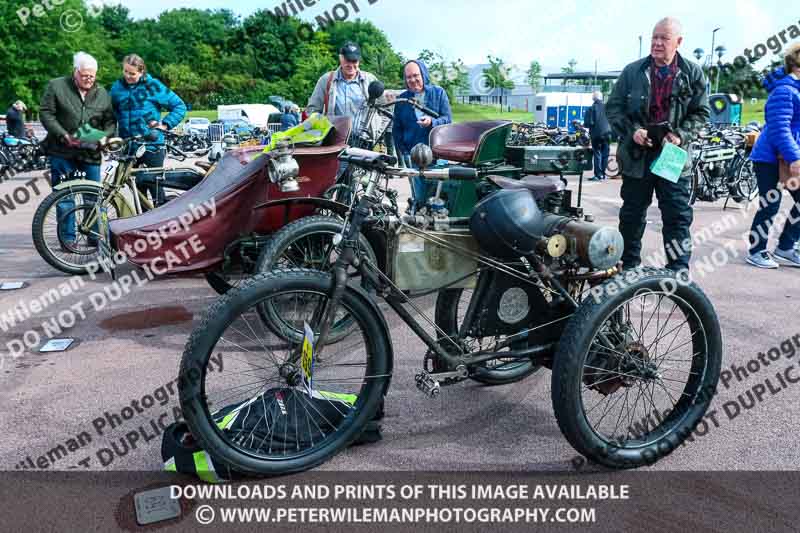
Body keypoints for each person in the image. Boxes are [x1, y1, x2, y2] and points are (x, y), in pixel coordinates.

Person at [606, 17, 709, 273]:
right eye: (654, 37)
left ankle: (678, 270)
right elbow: (613, 109)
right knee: (631, 214)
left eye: (664, 38)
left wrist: (681, 135)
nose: (657, 43)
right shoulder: (633, 72)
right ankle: (628, 268)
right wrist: (633, 132)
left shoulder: (693, 73)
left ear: (679, 42)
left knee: (676, 215)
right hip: (636, 154)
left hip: (672, 155)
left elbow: (702, 113)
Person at [40, 51, 116, 247]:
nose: (89, 78)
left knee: (93, 196)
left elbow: (110, 122)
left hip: (90, 153)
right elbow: (46, 113)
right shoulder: (56, 86)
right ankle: (68, 239)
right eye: (85, 75)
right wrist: (63, 134)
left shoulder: (102, 94)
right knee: (65, 197)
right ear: (75, 72)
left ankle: (94, 236)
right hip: (62, 152)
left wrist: (105, 137)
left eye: (92, 75)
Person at [745, 42, 800, 269]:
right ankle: (756, 251)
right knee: (770, 204)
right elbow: (779, 128)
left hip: (788, 154)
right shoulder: (785, 90)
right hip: (769, 157)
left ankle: (786, 247)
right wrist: (794, 158)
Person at [110, 54, 186, 206]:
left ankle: (163, 223)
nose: (128, 76)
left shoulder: (153, 86)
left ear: (141, 71)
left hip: (152, 146)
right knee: (138, 190)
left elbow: (180, 106)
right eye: (125, 71)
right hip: (130, 147)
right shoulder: (117, 88)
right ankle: (144, 225)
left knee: (156, 189)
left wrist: (165, 125)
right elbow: (111, 114)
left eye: (132, 73)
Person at [393, 60, 453, 200]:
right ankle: (418, 217)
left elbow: (448, 119)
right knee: (418, 197)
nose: (413, 80)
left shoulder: (438, 93)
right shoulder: (402, 99)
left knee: (436, 195)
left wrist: (432, 122)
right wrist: (404, 152)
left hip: (436, 154)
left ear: (423, 74)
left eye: (415, 75)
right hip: (413, 157)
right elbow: (397, 129)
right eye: (409, 77)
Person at [307, 41, 383, 131]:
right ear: (341, 58)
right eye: (348, 60)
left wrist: (378, 130)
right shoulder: (326, 79)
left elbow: (383, 109)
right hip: (335, 140)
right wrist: (322, 129)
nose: (350, 65)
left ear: (359, 61)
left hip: (365, 141)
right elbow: (312, 110)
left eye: (354, 61)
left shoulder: (370, 80)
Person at [583, 91, 611, 181]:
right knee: (605, 154)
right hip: (608, 134)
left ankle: (598, 175)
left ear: (593, 98)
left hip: (597, 135)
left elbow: (588, 123)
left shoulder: (592, 108)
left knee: (597, 153)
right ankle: (603, 174)